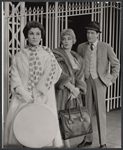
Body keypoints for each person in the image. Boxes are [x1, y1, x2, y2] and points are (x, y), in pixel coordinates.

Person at [4, 21, 63, 148]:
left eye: (37, 34)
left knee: (42, 132)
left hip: (43, 97)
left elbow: (51, 73)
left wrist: (37, 92)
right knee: (24, 130)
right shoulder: (18, 56)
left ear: (41, 36)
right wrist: (23, 93)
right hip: (23, 98)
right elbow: (15, 77)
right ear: (26, 36)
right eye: (31, 34)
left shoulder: (47, 55)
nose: (34, 37)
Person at [76, 21, 120, 148]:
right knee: (87, 112)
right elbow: (78, 65)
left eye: (92, 33)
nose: (89, 35)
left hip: (100, 81)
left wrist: (110, 79)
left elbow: (116, 64)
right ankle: (88, 139)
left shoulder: (105, 46)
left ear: (97, 35)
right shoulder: (81, 47)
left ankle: (103, 142)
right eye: (88, 33)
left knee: (101, 112)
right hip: (86, 81)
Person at [52, 29, 87, 148]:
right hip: (62, 92)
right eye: (64, 38)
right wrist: (72, 87)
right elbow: (58, 73)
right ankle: (66, 146)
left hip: (73, 94)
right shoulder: (56, 54)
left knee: (69, 121)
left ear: (74, 40)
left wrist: (77, 89)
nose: (66, 41)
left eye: (69, 38)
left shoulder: (77, 57)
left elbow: (80, 75)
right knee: (61, 120)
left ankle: (65, 145)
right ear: (61, 40)